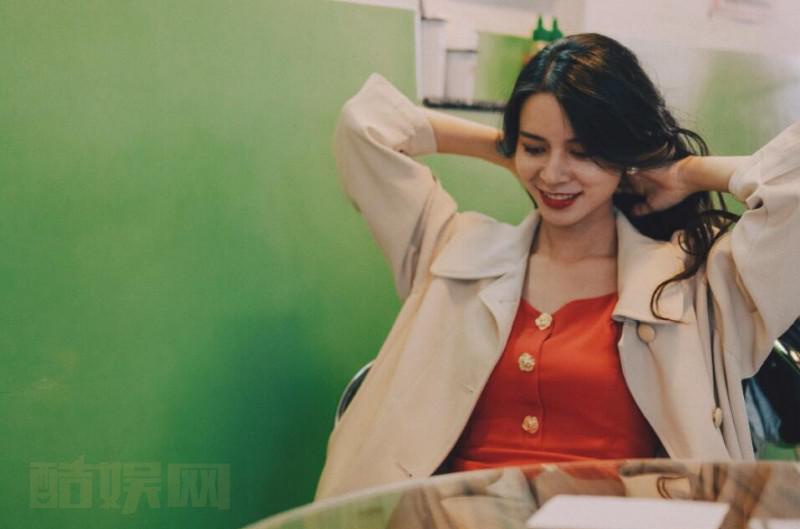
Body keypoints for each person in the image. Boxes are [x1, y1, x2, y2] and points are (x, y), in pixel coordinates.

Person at [315, 33, 800, 500]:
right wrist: (507, 149)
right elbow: (365, 126)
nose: (552, 174)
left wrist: (685, 172)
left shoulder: (693, 283)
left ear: (623, 155)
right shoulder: (453, 250)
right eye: (536, 148)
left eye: (582, 152)